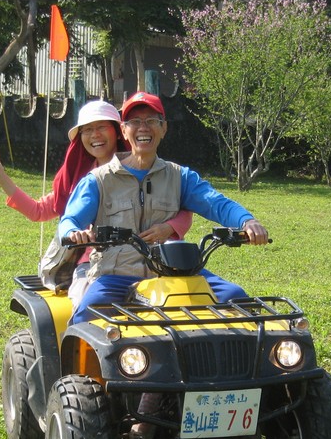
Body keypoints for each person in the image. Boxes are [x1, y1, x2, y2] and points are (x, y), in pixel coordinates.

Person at [58, 91, 270, 324]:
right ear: (123, 130)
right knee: (88, 315)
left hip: (175, 272)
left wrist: (247, 221)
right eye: (135, 122)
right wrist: (73, 233)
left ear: (163, 128)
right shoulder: (98, 180)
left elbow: (217, 203)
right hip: (116, 276)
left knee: (236, 300)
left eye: (151, 121)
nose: (143, 128)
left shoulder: (180, 176)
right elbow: (69, 221)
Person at [0, 99, 192, 299]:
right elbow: (39, 211)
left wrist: (170, 227)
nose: (95, 135)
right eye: (88, 129)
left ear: (118, 132)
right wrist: (3, 179)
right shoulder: (79, 180)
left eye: (101, 127)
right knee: (85, 303)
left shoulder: (145, 167)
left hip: (151, 260)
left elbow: (181, 205)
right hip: (93, 264)